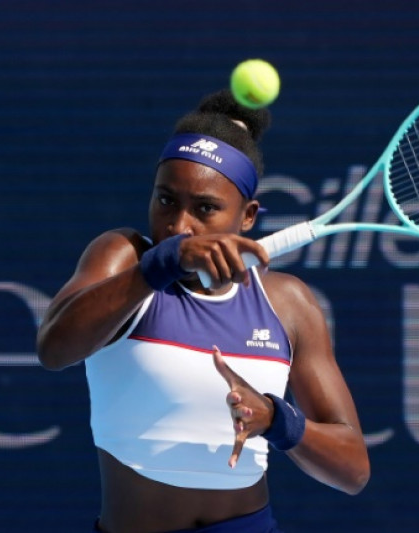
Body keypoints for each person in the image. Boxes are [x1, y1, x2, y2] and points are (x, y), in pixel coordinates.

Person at [36, 89, 370, 533]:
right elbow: (54, 348)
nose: (179, 226)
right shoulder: (125, 258)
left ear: (247, 216)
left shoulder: (289, 303)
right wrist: (163, 263)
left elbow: (353, 469)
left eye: (205, 208)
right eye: (166, 200)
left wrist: (275, 419)